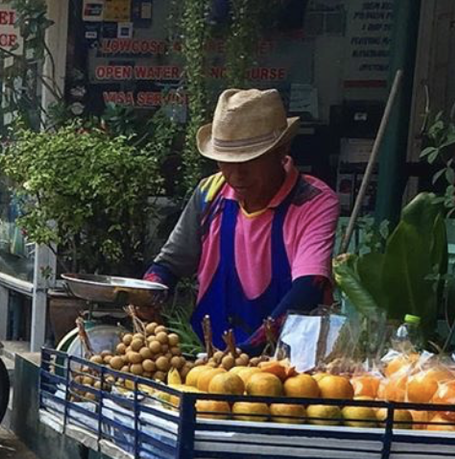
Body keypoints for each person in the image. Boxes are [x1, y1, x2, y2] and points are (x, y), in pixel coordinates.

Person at [145, 89, 339, 349]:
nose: (236, 174)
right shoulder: (210, 193)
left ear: (282, 151)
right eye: (225, 161)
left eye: (250, 160)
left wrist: (246, 353)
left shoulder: (312, 201)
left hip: (286, 365)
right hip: (207, 360)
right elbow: (169, 264)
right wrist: (147, 294)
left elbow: (308, 287)